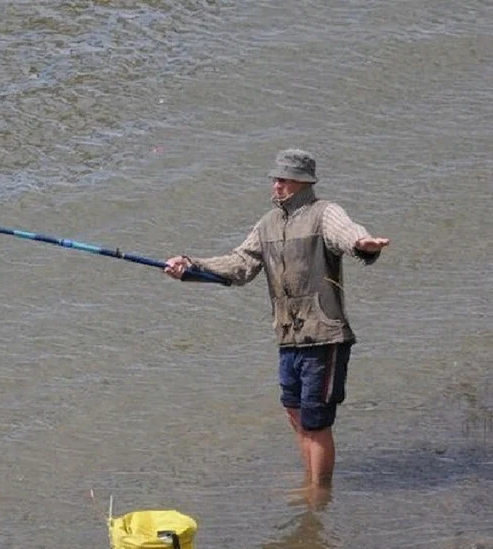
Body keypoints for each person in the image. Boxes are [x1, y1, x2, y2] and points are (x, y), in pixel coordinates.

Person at [164, 149, 389, 497]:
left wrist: (364, 245)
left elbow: (347, 233)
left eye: (283, 178)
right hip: (288, 337)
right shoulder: (267, 223)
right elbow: (239, 265)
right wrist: (190, 266)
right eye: (275, 177)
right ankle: (310, 481)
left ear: (303, 181)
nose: (276, 183)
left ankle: (320, 492)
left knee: (317, 422)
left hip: (324, 336)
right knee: (294, 413)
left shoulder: (324, 213)